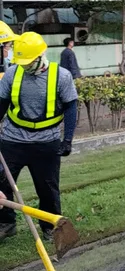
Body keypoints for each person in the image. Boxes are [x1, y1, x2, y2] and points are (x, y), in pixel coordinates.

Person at [0, 32, 78, 242]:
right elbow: (2, 104)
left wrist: (67, 140)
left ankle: (50, 227)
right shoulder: (12, 74)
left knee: (48, 188)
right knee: (2, 184)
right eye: (22, 62)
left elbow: (71, 108)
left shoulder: (61, 76)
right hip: (12, 140)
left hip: (46, 142)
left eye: (28, 62)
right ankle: (6, 223)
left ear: (40, 55)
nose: (25, 66)